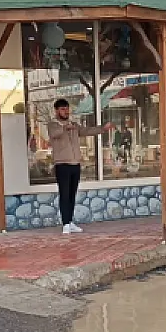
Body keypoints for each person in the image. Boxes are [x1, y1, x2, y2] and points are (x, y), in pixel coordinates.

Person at [48, 99, 113, 234]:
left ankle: (70, 221)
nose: (66, 111)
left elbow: (86, 131)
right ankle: (65, 223)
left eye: (67, 109)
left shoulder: (74, 125)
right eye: (62, 109)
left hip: (75, 163)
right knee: (64, 194)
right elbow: (55, 134)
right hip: (62, 164)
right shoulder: (53, 124)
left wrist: (102, 129)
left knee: (72, 194)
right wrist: (65, 127)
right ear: (56, 111)